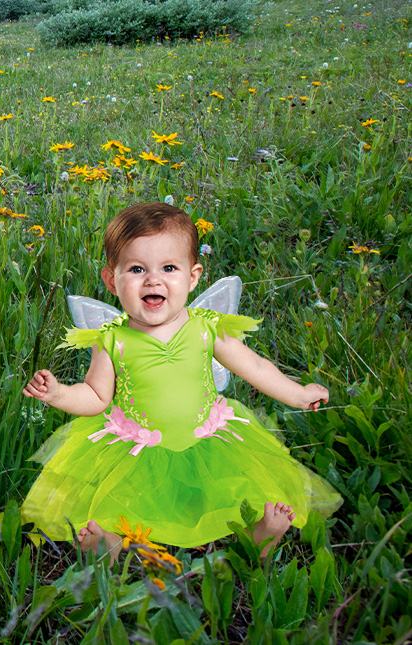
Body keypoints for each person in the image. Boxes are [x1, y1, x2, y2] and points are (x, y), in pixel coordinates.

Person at [21, 202, 341, 559]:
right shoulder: (110, 339)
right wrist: (59, 393)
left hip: (207, 441)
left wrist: (297, 394)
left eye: (169, 268)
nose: (153, 280)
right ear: (112, 280)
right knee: (119, 504)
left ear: (192, 276)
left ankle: (258, 537)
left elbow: (255, 367)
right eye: (137, 269)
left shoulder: (206, 327)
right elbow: (95, 397)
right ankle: (109, 546)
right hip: (136, 450)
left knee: (230, 492)